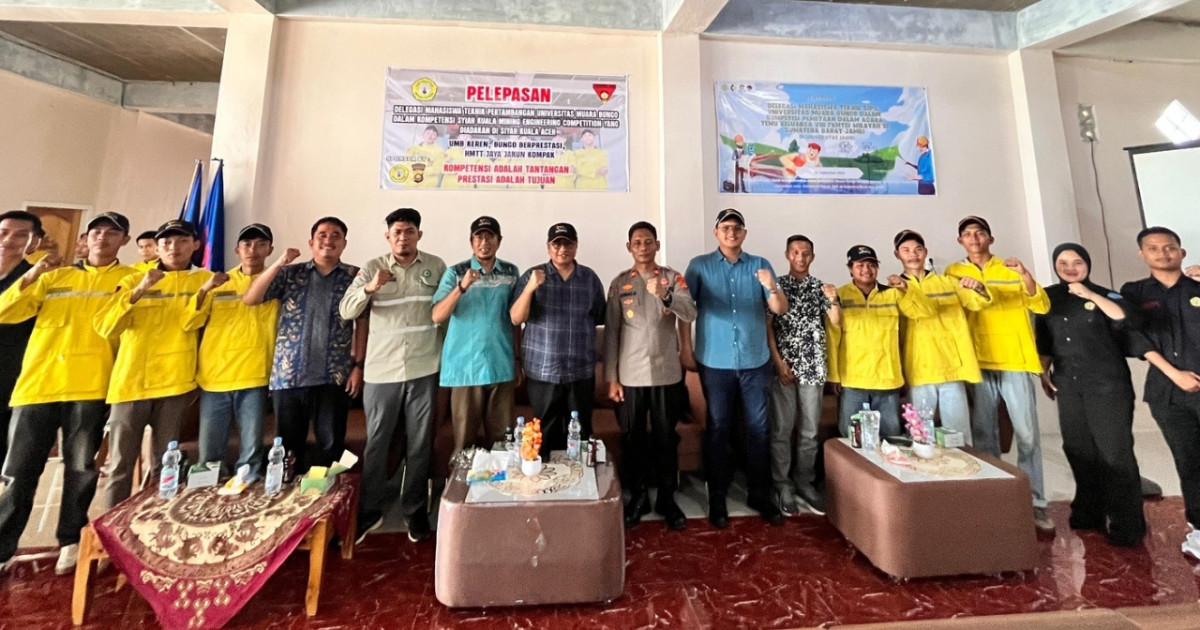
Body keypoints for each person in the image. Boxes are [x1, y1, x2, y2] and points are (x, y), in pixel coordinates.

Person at [0, 212, 134, 574]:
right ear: (85, 239)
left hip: (90, 385)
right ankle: (3, 546)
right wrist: (32, 274)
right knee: (18, 472)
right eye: (96, 232)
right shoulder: (54, 276)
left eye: (112, 233)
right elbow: (6, 312)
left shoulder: (130, 278)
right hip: (38, 386)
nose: (102, 238)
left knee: (80, 469)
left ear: (124, 240)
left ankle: (71, 540)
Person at [340, 208, 445, 544]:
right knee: (377, 444)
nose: (403, 237)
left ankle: (414, 510)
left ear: (419, 235)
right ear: (388, 236)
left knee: (419, 444)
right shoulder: (372, 267)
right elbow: (347, 310)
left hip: (424, 368)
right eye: (397, 232)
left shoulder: (435, 266)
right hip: (381, 371)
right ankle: (370, 510)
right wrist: (369, 288)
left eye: (409, 231)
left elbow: (445, 313)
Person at [945, 215, 1053, 533]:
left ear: (990, 239)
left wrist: (1026, 276)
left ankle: (1035, 502)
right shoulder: (953, 272)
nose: (974, 238)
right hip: (978, 361)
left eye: (980, 233)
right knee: (985, 434)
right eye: (967, 234)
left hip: (1014, 360)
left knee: (1028, 435)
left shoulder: (1011, 268)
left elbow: (1041, 306)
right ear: (960, 241)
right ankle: (994, 497)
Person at [95, 219, 213, 511]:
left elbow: (194, 324)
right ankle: (112, 525)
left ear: (196, 245)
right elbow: (107, 327)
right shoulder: (133, 278)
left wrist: (202, 293)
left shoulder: (206, 279)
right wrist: (140, 290)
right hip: (132, 381)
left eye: (182, 241)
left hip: (176, 381)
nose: (174, 248)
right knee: (120, 464)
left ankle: (159, 519)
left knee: (166, 462)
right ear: (157, 248)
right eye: (167, 242)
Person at [682, 208, 789, 528]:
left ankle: (759, 494)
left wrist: (771, 287)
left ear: (744, 233)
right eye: (725, 227)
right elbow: (684, 309)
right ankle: (717, 496)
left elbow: (779, 309)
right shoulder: (699, 266)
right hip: (715, 361)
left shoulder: (760, 265)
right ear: (716, 232)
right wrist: (685, 347)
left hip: (755, 361)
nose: (731, 232)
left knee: (758, 429)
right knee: (718, 428)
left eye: (737, 228)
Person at [1037, 243, 1145, 547]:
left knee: (1114, 453)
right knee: (1078, 449)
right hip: (1068, 384)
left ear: (1087, 264)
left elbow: (1126, 318)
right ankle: (1089, 511)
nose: (1070, 268)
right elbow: (1044, 342)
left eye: (1077, 262)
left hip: (1107, 385)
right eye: (1063, 262)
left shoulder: (1107, 295)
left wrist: (1090, 295)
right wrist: (1043, 374)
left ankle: (1128, 523)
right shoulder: (1048, 297)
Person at [245, 217, 364, 475]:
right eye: (322, 235)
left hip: (333, 376)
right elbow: (251, 298)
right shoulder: (290, 273)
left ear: (344, 244)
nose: (328, 240)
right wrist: (279, 262)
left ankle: (325, 495)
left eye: (336, 235)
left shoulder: (354, 276)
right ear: (311, 242)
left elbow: (362, 322)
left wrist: (358, 366)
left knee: (331, 446)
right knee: (288, 449)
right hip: (289, 376)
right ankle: (289, 494)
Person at [604, 221, 696, 530]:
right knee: (633, 439)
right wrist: (612, 378)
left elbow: (690, 312)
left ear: (657, 245)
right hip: (630, 375)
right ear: (629, 248)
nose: (643, 247)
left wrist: (666, 295)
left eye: (648, 242)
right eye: (637, 243)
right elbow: (612, 332)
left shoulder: (672, 277)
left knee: (666, 438)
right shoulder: (619, 283)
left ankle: (667, 498)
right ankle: (639, 495)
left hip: (666, 373)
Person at [1120, 227, 1200, 558]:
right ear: (1142, 254)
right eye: (1153, 248)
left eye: (1169, 247)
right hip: (1168, 392)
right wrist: (1175, 374)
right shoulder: (1135, 292)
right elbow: (1134, 337)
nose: (1162, 253)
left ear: (1182, 252)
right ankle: (1199, 529)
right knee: (1189, 461)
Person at [183, 224, 278, 480]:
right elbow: (190, 322)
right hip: (215, 376)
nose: (253, 250)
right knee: (209, 453)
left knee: (251, 451)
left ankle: (248, 490)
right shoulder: (218, 281)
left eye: (260, 244)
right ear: (237, 250)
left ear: (270, 250)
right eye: (247, 244)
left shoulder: (276, 282)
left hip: (255, 375)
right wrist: (205, 289)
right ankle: (205, 495)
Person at [510, 223, 606, 455]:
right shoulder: (532, 275)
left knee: (581, 436)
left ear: (576, 246)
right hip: (543, 372)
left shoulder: (589, 278)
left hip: (580, 372)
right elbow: (516, 318)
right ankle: (548, 476)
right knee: (545, 435)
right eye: (557, 244)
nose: (562, 249)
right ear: (548, 247)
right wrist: (530, 289)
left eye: (568, 243)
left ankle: (580, 476)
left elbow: (598, 317)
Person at [766, 235, 840, 516]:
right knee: (781, 430)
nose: (800, 257)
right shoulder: (776, 286)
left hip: (813, 367)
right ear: (787, 255)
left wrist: (833, 299)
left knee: (810, 431)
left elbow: (836, 321)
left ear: (813, 256)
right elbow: (767, 326)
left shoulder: (821, 288)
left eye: (806, 253)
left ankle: (804, 482)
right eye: (795, 252)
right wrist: (777, 362)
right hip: (784, 369)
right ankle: (782, 483)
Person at [432, 216, 519, 455]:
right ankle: (461, 481)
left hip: (501, 365)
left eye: (490, 236)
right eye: (479, 237)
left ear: (499, 241)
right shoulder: (455, 272)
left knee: (504, 445)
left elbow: (515, 318)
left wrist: (517, 360)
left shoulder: (511, 273)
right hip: (465, 369)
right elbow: (437, 315)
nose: (484, 242)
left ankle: (501, 481)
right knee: (464, 447)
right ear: (471, 241)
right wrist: (462, 287)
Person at [829, 244, 934, 440]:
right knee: (852, 438)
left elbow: (924, 312)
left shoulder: (892, 293)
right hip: (853, 379)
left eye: (871, 265)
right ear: (850, 268)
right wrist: (834, 376)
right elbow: (833, 337)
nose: (866, 270)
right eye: (860, 265)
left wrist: (906, 287)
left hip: (887, 379)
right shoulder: (839, 296)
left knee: (891, 437)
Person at [893, 229, 989, 442]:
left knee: (959, 435)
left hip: (951, 366)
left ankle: (964, 466)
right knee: (920, 434)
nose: (913, 254)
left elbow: (977, 303)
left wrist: (979, 288)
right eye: (906, 250)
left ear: (926, 251)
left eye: (918, 249)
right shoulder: (894, 289)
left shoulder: (948, 282)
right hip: (919, 368)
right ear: (897, 255)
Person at [0, 211, 41, 477]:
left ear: (34, 243)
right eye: (3, 233)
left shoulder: (38, 279)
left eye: (20, 235)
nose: (8, 240)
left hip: (11, 375)